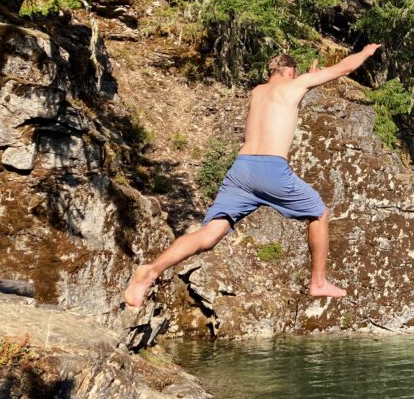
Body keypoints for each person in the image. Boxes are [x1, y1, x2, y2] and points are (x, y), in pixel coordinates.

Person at [123, 44, 381, 308]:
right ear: (292, 71)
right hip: (270, 169)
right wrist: (365, 53)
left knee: (209, 235)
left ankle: (151, 270)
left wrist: (307, 85)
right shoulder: (296, 84)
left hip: (241, 170)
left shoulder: (257, 92)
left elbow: (282, 108)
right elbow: (345, 67)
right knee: (319, 213)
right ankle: (318, 282)